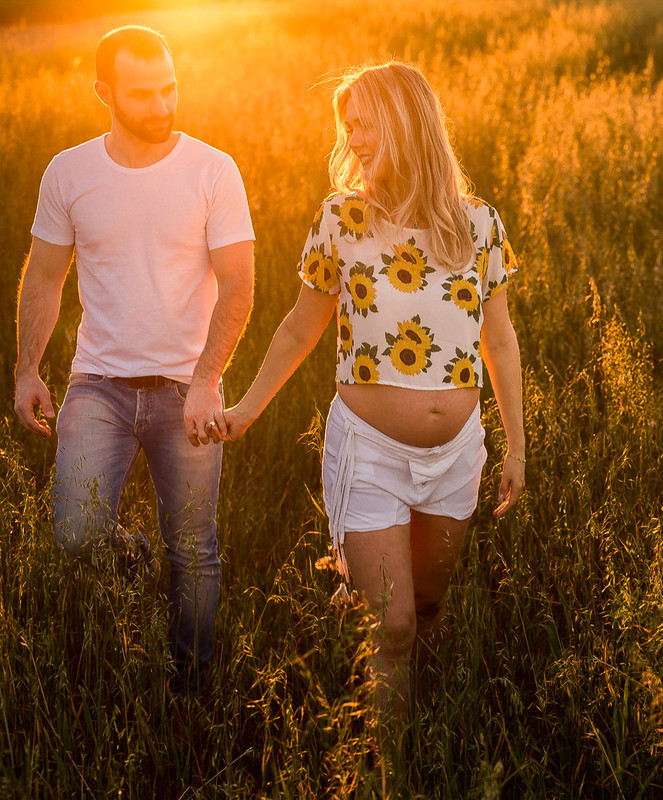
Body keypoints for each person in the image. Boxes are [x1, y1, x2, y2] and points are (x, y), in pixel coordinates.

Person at [220, 61, 526, 722]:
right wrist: (244, 410)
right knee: (392, 627)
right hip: (370, 451)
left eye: (365, 123)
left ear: (406, 121)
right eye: (347, 125)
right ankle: (390, 771)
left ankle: (434, 746)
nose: (353, 138)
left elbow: (498, 341)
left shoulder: (479, 225)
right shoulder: (343, 218)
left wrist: (517, 447)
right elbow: (302, 325)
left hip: (458, 455)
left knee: (429, 608)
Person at [13, 26, 255, 694]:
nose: (162, 104)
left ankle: (191, 690)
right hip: (98, 386)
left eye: (169, 88)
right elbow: (44, 277)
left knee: (194, 551)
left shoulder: (213, 169)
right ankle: (119, 601)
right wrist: (27, 368)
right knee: (76, 537)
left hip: (189, 392)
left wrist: (207, 380)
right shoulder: (69, 172)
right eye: (143, 94)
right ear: (103, 93)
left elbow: (240, 283)